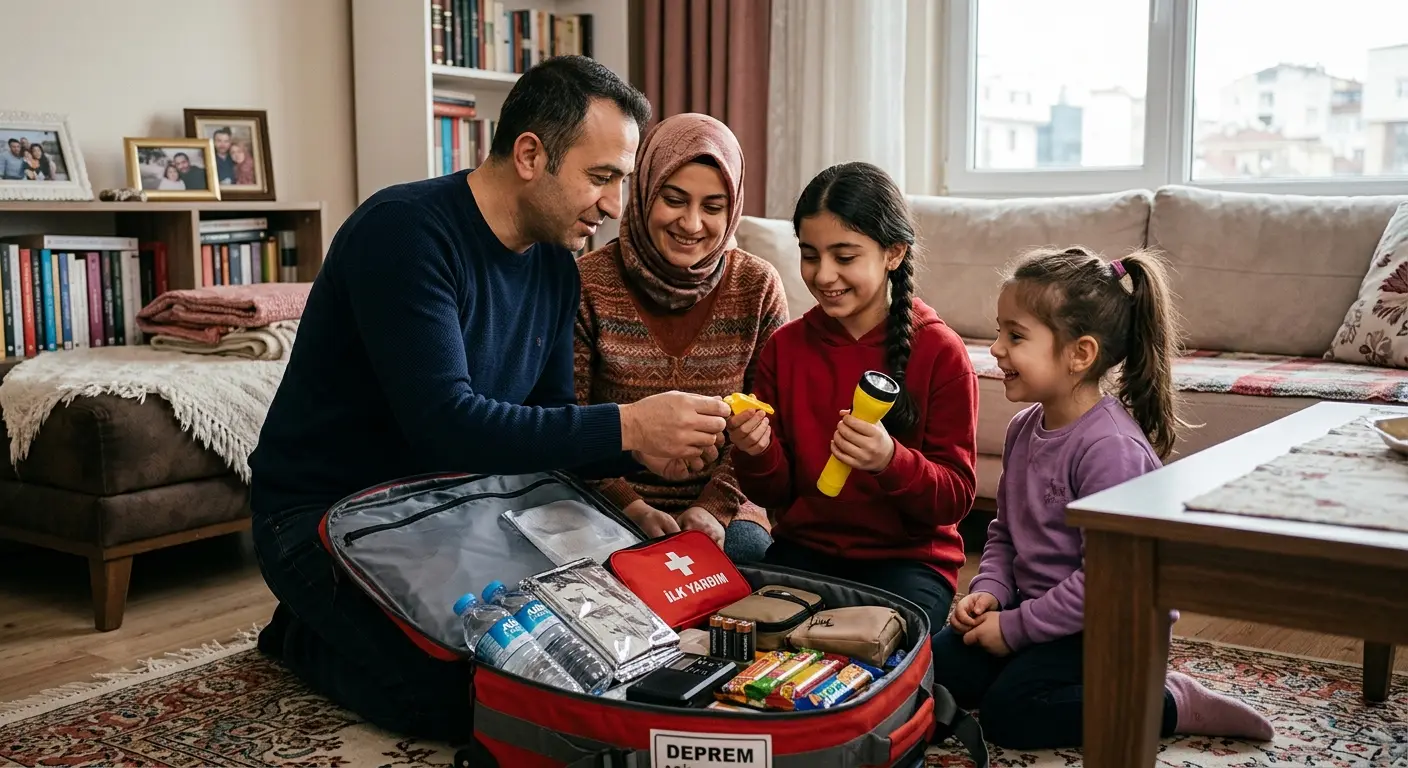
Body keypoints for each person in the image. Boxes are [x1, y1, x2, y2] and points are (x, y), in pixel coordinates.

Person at [246, 56, 733, 742]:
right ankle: (296, 634)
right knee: (470, 702)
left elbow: (545, 420)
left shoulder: (555, 267)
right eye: (601, 178)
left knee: (587, 658)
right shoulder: (405, 233)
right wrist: (627, 426)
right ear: (531, 154)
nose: (615, 207)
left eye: (620, 182)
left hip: (465, 507)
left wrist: (634, 504)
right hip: (326, 515)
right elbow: (446, 424)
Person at [933, 246, 1275, 748]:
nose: (997, 349)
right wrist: (990, 593)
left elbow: (1107, 582)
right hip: (1038, 610)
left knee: (1012, 715)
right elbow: (1004, 533)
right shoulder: (1023, 428)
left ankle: (1167, 701)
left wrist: (1014, 629)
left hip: (1109, 625)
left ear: (1081, 354)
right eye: (1000, 331)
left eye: (1016, 335)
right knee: (932, 667)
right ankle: (1027, 669)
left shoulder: (1109, 448)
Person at [726, 161, 979, 635]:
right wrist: (756, 451)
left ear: (893, 254)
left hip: (906, 565)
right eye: (810, 255)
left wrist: (891, 460)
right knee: (748, 637)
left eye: (844, 257)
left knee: (874, 651)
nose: (823, 275)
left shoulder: (940, 351)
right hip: (806, 551)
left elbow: (955, 499)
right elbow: (773, 494)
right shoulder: (784, 347)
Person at [574, 113, 788, 563]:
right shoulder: (586, 283)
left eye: (712, 207)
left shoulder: (758, 286)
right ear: (646, 190)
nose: (691, 224)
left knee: (748, 576)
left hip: (728, 504)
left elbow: (769, 422)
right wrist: (629, 504)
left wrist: (713, 507)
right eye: (674, 200)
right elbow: (569, 418)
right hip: (603, 499)